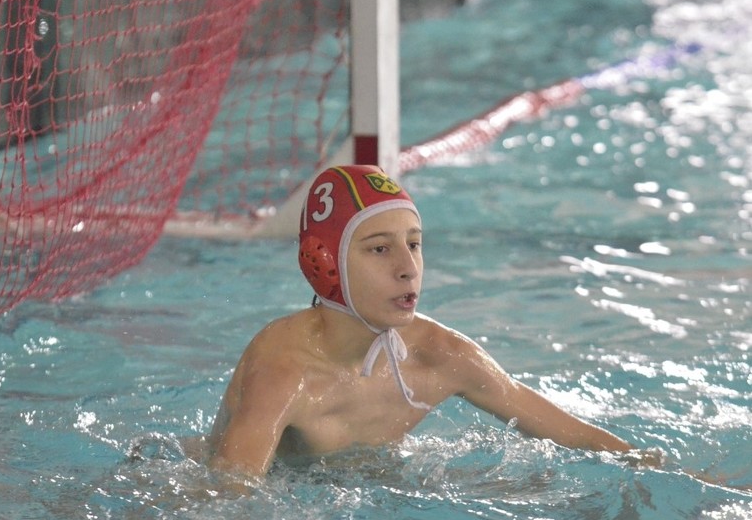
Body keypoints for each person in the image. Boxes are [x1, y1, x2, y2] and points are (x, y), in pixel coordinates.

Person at [207, 164, 640, 478]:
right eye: (380, 249)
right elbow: (224, 504)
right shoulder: (285, 374)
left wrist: (669, 472)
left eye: (413, 245)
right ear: (325, 264)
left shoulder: (439, 355)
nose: (407, 268)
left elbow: (575, 436)